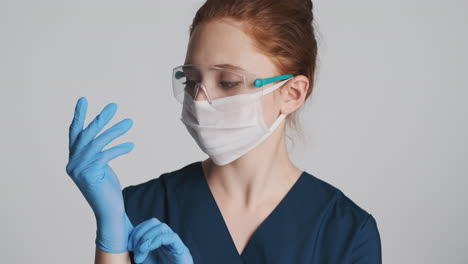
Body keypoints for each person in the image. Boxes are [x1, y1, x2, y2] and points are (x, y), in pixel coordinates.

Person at [65, 0, 382, 263]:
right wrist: (110, 238)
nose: (200, 99)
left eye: (228, 82)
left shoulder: (345, 234)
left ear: (292, 93)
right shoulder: (140, 210)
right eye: (191, 81)